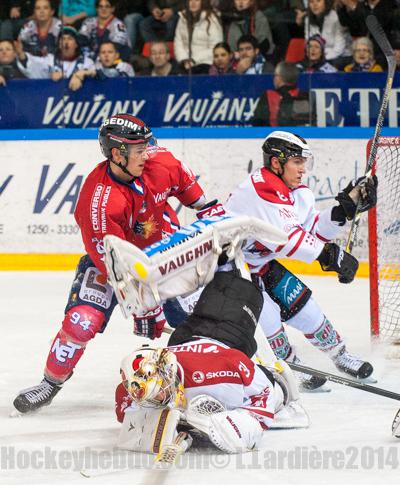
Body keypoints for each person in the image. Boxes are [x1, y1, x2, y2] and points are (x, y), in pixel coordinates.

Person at [13, 113, 209, 414]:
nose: (148, 153)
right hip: (113, 266)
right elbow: (117, 269)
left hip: (165, 258)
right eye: (139, 150)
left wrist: (212, 225)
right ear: (117, 154)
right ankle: (50, 384)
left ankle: (210, 375)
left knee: (196, 321)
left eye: (147, 146)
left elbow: (201, 203)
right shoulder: (99, 202)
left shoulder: (162, 162)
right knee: (81, 322)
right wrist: (147, 306)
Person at [224, 131, 377, 390]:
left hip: (260, 265)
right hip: (231, 271)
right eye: (297, 162)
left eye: (304, 162)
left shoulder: (296, 191)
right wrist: (331, 256)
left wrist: (343, 210)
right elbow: (288, 240)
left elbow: (312, 229)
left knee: (307, 308)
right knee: (269, 320)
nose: (303, 169)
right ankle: (290, 366)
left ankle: (340, 355)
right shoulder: (261, 187)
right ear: (276, 162)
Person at [115, 270, 308, 454]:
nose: (155, 399)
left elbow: (262, 392)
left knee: (239, 290)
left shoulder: (220, 368)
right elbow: (126, 414)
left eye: (158, 392)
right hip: (186, 335)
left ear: (169, 372)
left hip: (232, 335)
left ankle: (278, 381)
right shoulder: (138, 384)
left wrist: (236, 422)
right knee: (218, 296)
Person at [251, 61, 311, 126]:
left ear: (279, 78)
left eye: (275, 75)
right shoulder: (305, 96)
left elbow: (256, 123)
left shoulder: (268, 96)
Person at [174, 0, 223, 74]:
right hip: (185, 63)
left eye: (197, 0)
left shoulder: (212, 19)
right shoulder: (182, 18)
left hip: (205, 63)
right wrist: (183, 59)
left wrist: (194, 60)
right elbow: (178, 42)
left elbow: (216, 47)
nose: (193, 3)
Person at [304, 0, 352, 68]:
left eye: (318, 1)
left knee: (330, 65)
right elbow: (309, 45)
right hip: (319, 56)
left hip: (341, 56)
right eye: (311, 2)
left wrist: (321, 56)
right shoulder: (307, 19)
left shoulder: (336, 17)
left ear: (326, 3)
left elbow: (339, 48)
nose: (315, 4)